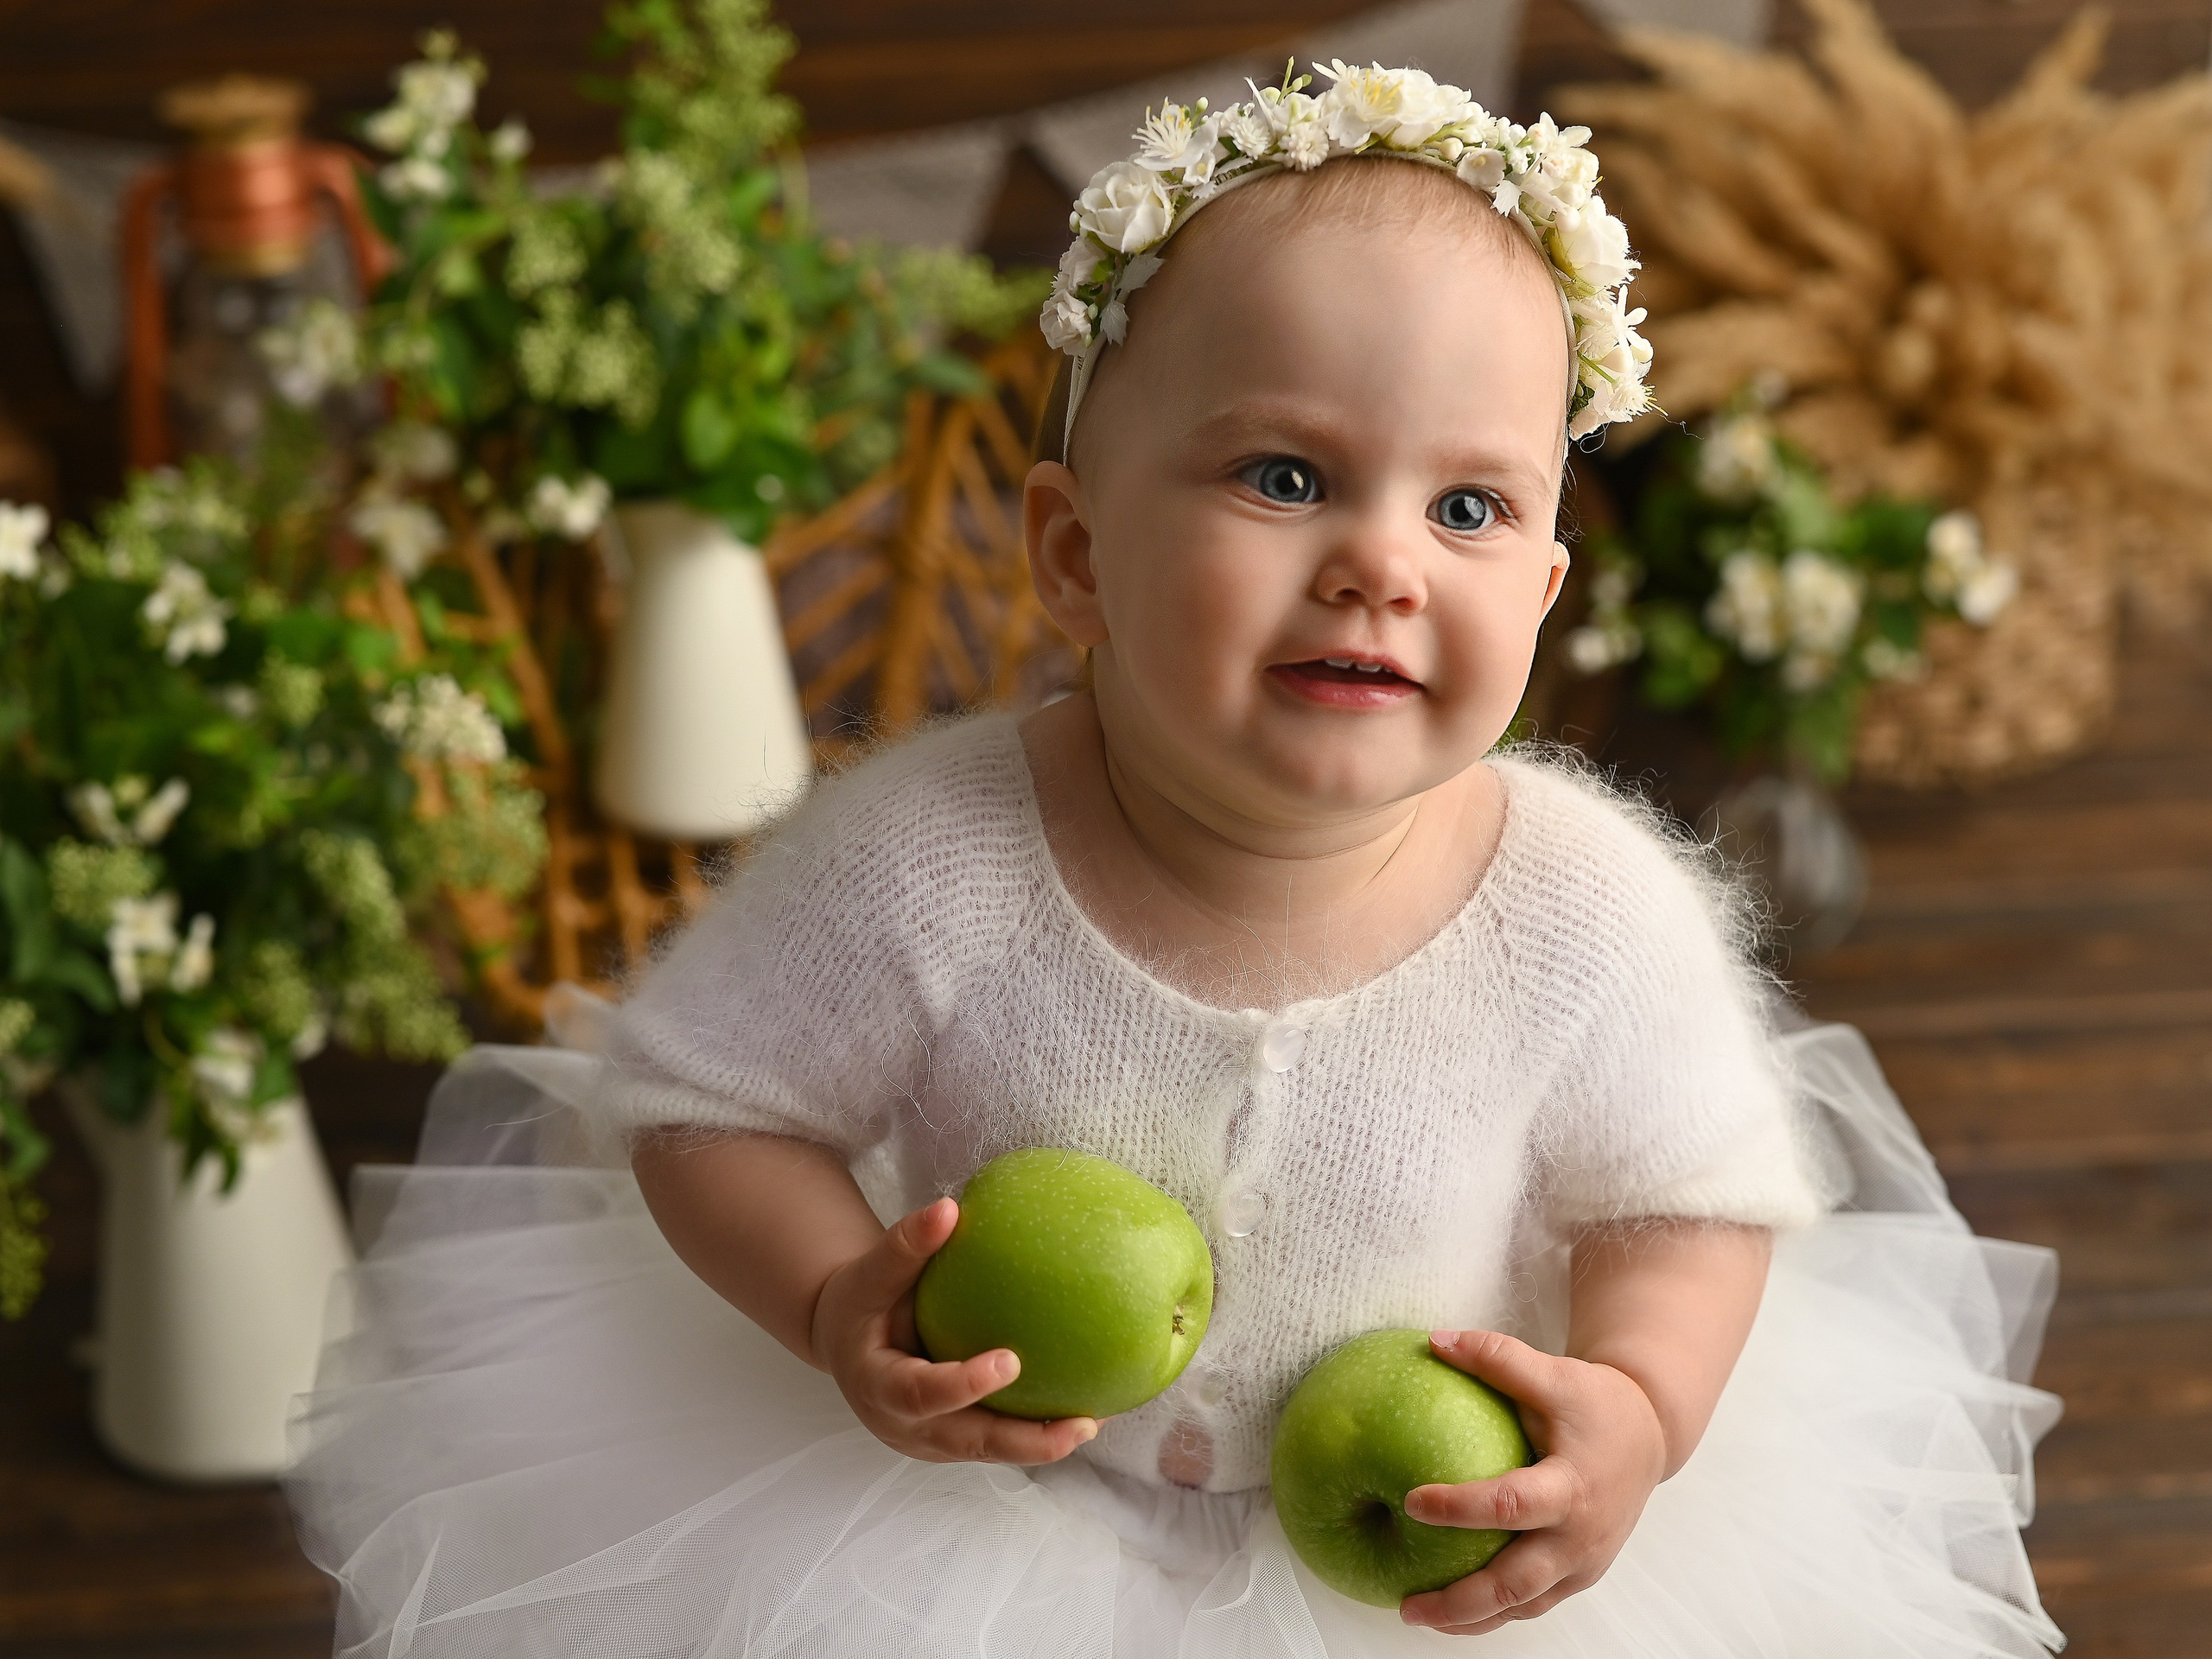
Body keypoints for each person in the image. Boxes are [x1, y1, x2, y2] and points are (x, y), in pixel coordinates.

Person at [287, 65, 2066, 1657]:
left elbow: (1679, 1206)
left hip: (1415, 1574)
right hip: (970, 1550)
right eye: (1284, 475)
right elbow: (701, 1101)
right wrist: (835, 1297)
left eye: (1465, 509)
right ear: (1070, 554)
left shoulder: (1586, 912)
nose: (1381, 563)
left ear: (1537, 596)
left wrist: (1636, 1410)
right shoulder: (925, 859)